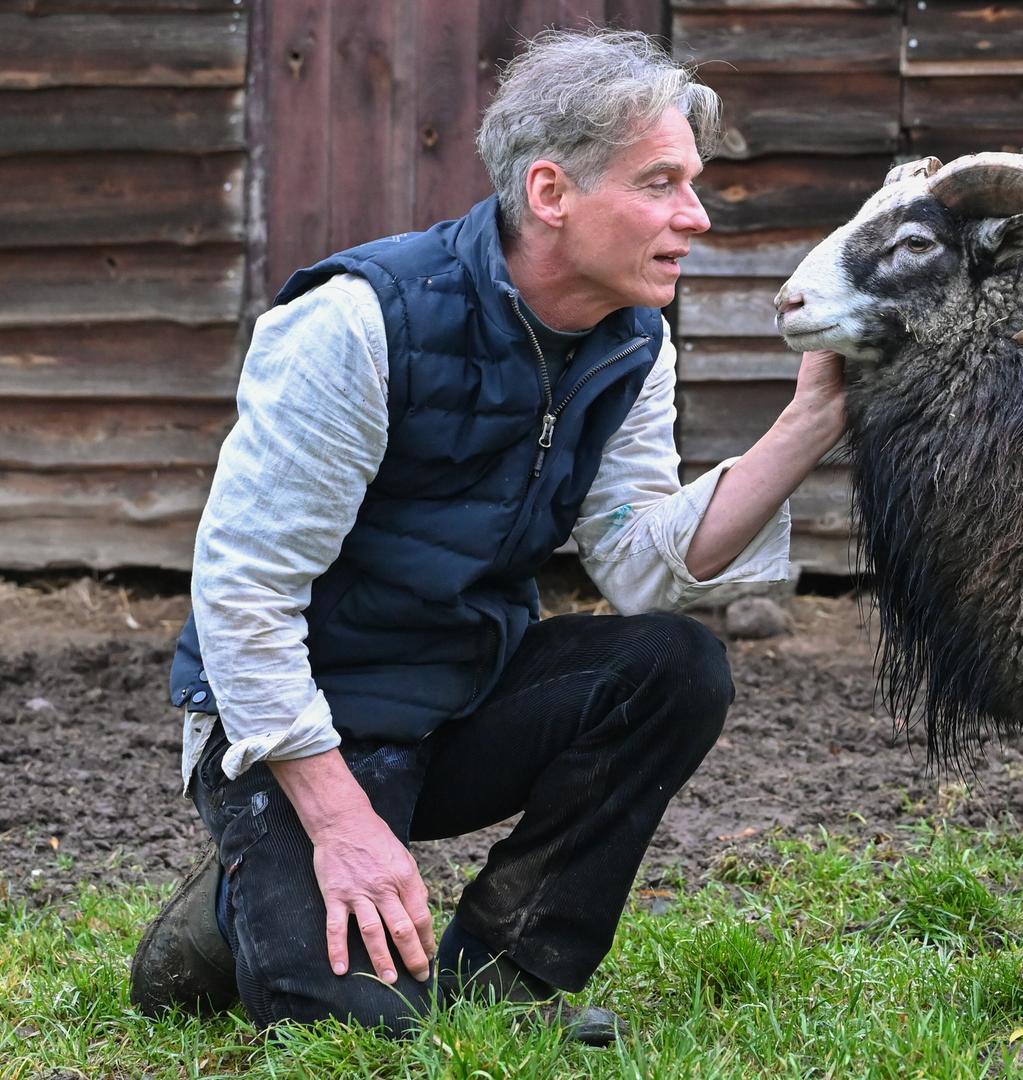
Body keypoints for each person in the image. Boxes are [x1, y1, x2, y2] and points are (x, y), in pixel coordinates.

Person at [128, 29, 843, 1044]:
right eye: (662, 183)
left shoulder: (632, 340)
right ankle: (229, 907)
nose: (697, 215)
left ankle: (502, 975)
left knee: (674, 666)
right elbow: (240, 596)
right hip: (299, 725)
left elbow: (642, 565)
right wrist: (342, 831)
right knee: (357, 1033)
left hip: (461, 692)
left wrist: (813, 419)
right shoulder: (359, 324)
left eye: (694, 182)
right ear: (552, 194)